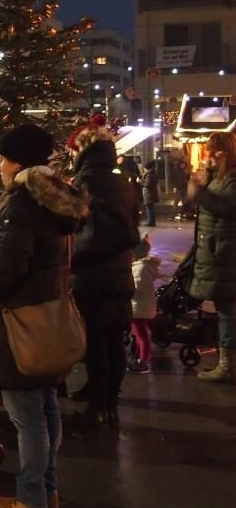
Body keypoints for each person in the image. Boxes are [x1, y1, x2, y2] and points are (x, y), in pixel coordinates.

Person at [0, 123, 86, 508]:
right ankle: (46, 492)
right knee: (45, 411)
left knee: (28, 420)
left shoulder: (21, 203)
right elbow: (23, 251)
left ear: (16, 162)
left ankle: (31, 504)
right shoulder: (51, 200)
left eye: (1, 159)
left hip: (21, 324)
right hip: (49, 317)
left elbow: (10, 267)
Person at [66, 114, 140, 427]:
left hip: (93, 274)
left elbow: (83, 231)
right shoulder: (120, 178)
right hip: (119, 271)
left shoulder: (87, 181)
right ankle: (109, 403)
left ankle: (97, 407)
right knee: (113, 340)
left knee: (96, 342)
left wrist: (72, 258)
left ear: (82, 149)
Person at [187, 132, 236, 384]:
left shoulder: (232, 179)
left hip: (226, 255)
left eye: (213, 151)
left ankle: (227, 365)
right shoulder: (219, 177)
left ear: (224, 152)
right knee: (225, 308)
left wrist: (200, 193)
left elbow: (227, 207)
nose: (209, 156)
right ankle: (226, 362)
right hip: (218, 254)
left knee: (228, 310)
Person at [128, 232, 160, 375]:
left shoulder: (140, 269)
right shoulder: (145, 267)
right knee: (138, 333)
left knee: (142, 335)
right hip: (143, 306)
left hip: (138, 308)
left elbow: (136, 289)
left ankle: (143, 361)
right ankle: (139, 357)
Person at [140, 161, 159, 227]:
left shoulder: (148, 174)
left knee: (149, 209)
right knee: (151, 208)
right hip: (152, 193)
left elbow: (147, 184)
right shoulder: (153, 173)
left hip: (148, 194)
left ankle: (150, 222)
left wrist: (140, 181)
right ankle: (152, 222)